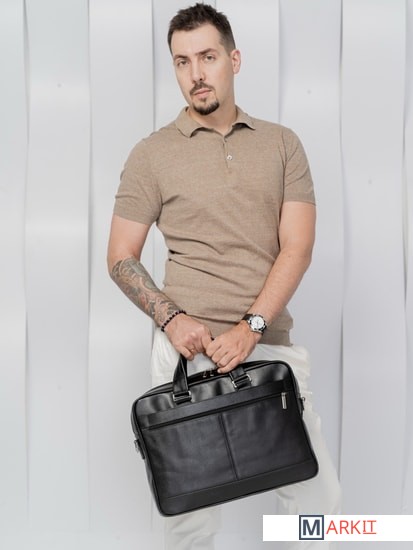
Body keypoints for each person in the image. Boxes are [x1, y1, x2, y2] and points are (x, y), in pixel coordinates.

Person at [107, 3, 341, 549]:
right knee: (189, 514)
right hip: (185, 355)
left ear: (234, 60)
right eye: (182, 61)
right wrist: (172, 319)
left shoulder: (281, 143)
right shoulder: (151, 155)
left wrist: (251, 327)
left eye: (208, 57)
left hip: (268, 344)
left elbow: (298, 246)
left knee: (316, 498)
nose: (196, 73)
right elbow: (121, 256)